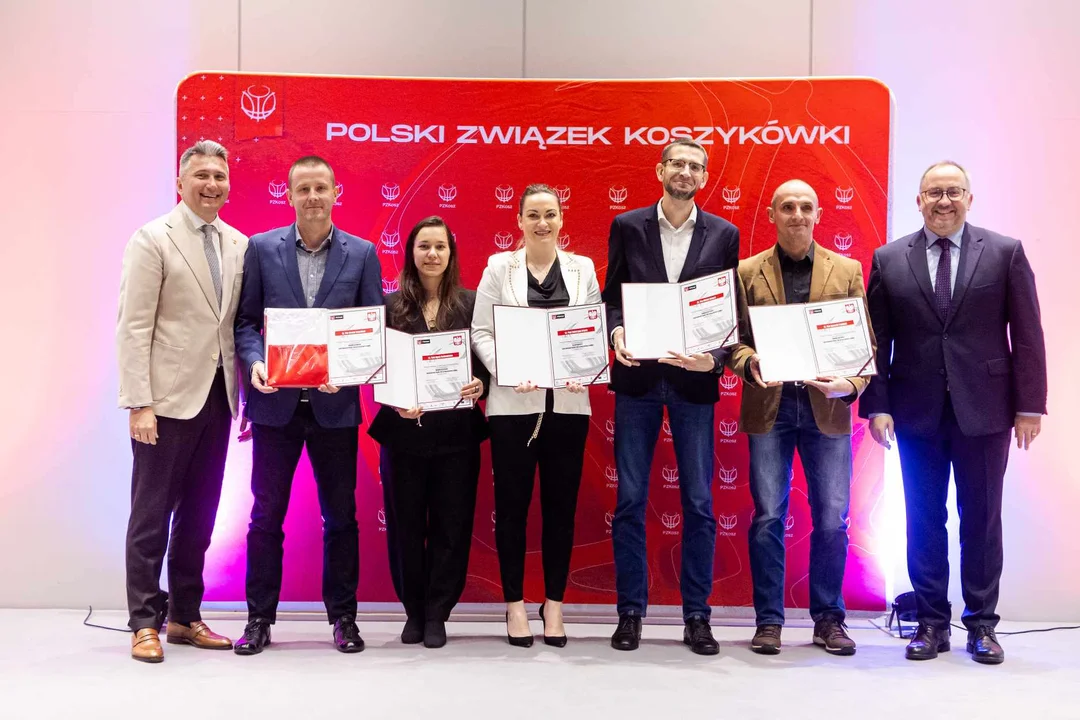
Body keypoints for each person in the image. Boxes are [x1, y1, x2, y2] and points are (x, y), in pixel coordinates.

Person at [861, 161, 1047, 664]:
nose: (944, 201)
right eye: (934, 193)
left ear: (969, 198)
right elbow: (877, 340)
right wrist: (877, 405)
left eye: (953, 192)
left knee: (981, 519)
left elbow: (1028, 333)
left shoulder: (1005, 252)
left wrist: (1030, 405)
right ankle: (930, 623)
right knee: (923, 519)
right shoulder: (889, 258)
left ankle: (982, 625)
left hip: (986, 411)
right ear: (919, 200)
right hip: (915, 410)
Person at [232, 155, 383, 655]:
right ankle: (258, 619)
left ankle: (344, 619)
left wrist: (350, 371)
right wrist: (255, 361)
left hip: (334, 408)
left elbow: (371, 328)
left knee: (340, 517)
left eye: (321, 187)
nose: (313, 197)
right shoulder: (261, 248)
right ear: (289, 195)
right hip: (275, 406)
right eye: (304, 189)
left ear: (336, 192)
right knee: (265, 517)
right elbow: (246, 323)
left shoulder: (362, 254)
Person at [603, 139, 740, 655]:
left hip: (693, 381)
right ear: (660, 170)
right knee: (630, 500)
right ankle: (630, 613)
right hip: (638, 379)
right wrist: (616, 333)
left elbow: (726, 310)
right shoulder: (627, 225)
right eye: (677, 163)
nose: (685, 171)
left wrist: (718, 358)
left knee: (700, 503)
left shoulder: (724, 234)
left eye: (694, 166)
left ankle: (697, 616)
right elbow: (612, 297)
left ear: (704, 177)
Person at [728, 179, 874, 656]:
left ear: (818, 214)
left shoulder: (847, 270)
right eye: (787, 207)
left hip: (825, 408)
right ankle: (769, 621)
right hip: (769, 408)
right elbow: (733, 341)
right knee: (769, 516)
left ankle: (829, 619)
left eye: (805, 207)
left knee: (832, 518)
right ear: (772, 214)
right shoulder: (746, 271)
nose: (797, 214)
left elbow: (864, 346)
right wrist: (749, 362)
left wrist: (850, 384)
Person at [117, 140, 247, 663]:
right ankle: (143, 622)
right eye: (201, 175)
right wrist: (138, 403)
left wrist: (244, 398)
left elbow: (232, 327)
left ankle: (184, 617)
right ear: (180, 183)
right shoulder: (153, 238)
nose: (212, 184)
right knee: (150, 516)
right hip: (165, 403)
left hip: (217, 399)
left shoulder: (238, 243)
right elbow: (133, 326)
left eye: (219, 176)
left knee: (200, 515)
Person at [471, 184, 602, 647]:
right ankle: (513, 603)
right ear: (519, 221)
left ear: (562, 219)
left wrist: (583, 368)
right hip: (513, 407)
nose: (542, 223)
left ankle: (554, 603)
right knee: (511, 509)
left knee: (560, 510)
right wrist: (508, 370)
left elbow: (590, 331)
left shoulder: (583, 269)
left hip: (568, 405)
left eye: (550, 214)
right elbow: (481, 332)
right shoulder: (498, 268)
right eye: (533, 215)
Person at [367, 216, 489, 649]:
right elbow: (376, 368)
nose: (432, 254)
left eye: (440, 246)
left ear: (451, 254)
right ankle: (414, 611)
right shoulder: (388, 306)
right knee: (405, 526)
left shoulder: (472, 303)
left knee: (452, 526)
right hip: (403, 435)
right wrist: (393, 398)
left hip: (458, 435)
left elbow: (487, 362)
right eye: (424, 246)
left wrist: (480, 385)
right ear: (411, 253)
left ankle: (438, 612)